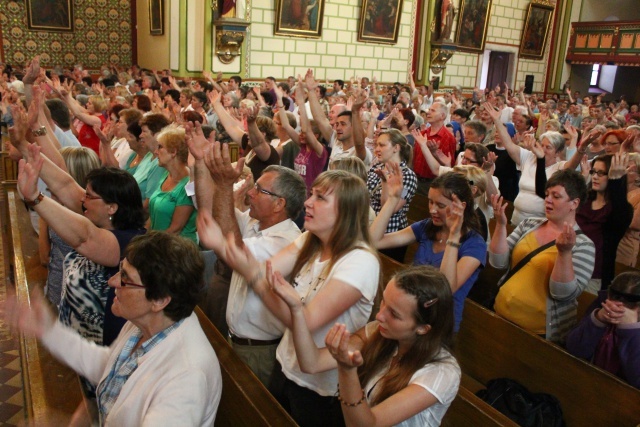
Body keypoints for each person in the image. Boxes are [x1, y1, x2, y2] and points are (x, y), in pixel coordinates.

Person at [8, 232, 222, 424]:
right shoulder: (147, 323)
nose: (112, 281)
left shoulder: (187, 377)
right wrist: (48, 329)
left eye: (125, 279)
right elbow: (109, 365)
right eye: (120, 270)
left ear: (159, 300)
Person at [221, 170, 381, 427]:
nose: (307, 202)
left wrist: (256, 280)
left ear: (346, 211)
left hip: (321, 389)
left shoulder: (360, 261)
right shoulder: (311, 239)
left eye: (320, 198)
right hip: (286, 365)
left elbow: (305, 321)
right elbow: (263, 272)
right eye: (311, 195)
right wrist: (242, 264)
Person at [272, 265, 460, 426]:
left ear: (423, 329)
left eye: (394, 314)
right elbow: (311, 363)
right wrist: (296, 310)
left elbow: (367, 424)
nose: (380, 316)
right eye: (384, 301)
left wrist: (347, 370)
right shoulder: (379, 333)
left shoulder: (441, 372)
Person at [370, 169, 486, 332]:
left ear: (461, 206)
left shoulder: (475, 244)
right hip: (408, 314)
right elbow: (375, 241)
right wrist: (393, 199)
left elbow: (446, 287)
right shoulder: (427, 227)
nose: (432, 210)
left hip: (437, 324)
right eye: (430, 202)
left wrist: (453, 236)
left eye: (440, 205)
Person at [489, 169, 596, 343]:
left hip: (538, 334)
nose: (548, 200)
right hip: (499, 313)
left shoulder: (584, 245)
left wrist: (564, 253)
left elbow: (561, 293)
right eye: (547, 194)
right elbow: (497, 262)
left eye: (556, 196)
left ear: (574, 203)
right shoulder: (529, 224)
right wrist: (501, 225)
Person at [39, 146, 101, 307]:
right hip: (74, 292)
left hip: (70, 293)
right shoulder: (96, 212)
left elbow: (44, 256)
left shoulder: (81, 215)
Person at [565, 271, 640, 389]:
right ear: (608, 297)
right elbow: (574, 349)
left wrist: (629, 330)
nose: (616, 310)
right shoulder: (601, 306)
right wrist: (598, 319)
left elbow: (637, 380)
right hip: (587, 383)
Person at [574, 153, 632, 292]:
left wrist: (616, 181)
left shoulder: (619, 208)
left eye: (601, 173)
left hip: (595, 275)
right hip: (570, 264)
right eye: (594, 172)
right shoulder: (584, 200)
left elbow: (618, 218)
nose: (594, 176)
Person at [367, 128, 417, 262]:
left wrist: (384, 182)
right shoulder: (375, 168)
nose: (377, 149)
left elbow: (389, 208)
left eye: (382, 145)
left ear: (396, 148)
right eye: (376, 145)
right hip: (369, 229)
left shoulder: (407, 176)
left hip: (389, 236)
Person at [148, 125, 197, 242]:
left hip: (178, 251)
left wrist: (147, 243)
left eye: (160, 147)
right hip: (158, 243)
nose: (155, 152)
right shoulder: (166, 176)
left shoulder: (189, 184)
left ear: (173, 152)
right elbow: (153, 216)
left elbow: (175, 229)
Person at [617, 153, 640, 267]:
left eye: (629, 169)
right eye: (623, 167)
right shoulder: (614, 191)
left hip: (624, 249)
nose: (624, 172)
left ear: (638, 176)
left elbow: (635, 224)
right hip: (605, 245)